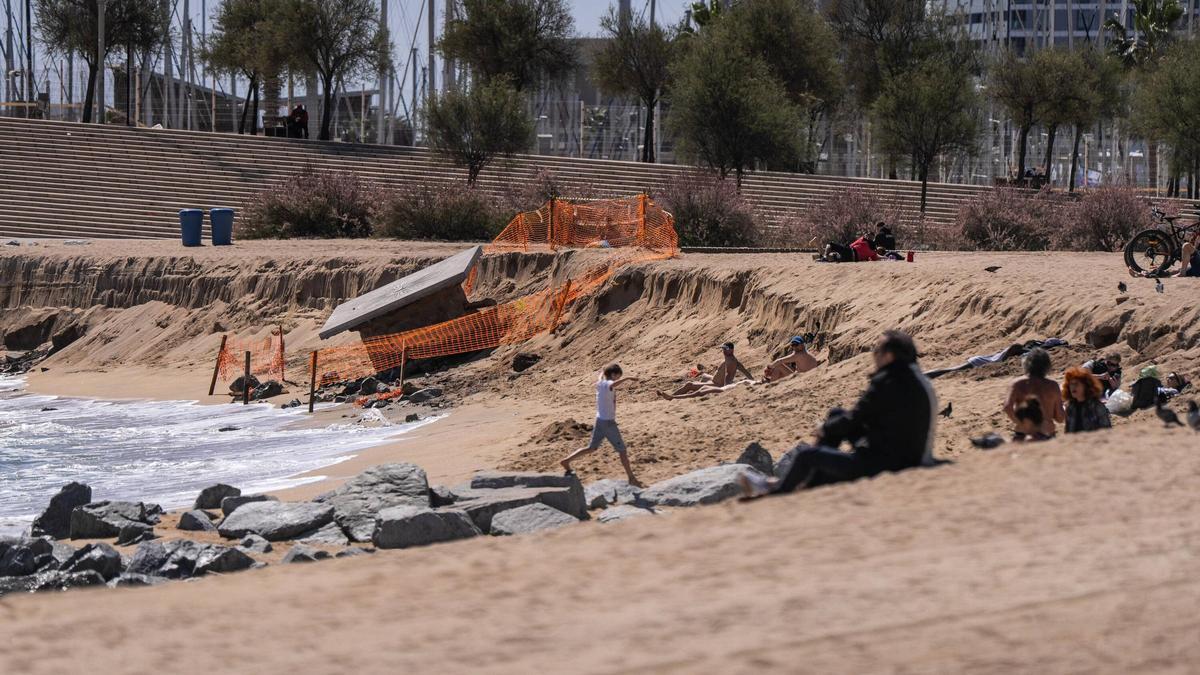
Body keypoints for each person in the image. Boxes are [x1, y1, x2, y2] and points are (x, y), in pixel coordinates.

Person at [740, 330, 937, 496]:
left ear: (889, 356)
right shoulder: (911, 376)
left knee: (806, 456)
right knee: (836, 414)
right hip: (907, 453)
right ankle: (812, 482)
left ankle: (776, 491)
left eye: (878, 349)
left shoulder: (887, 381)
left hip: (889, 463)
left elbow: (856, 418)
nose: (874, 353)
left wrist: (823, 428)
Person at [562, 364, 642, 486]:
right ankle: (631, 477)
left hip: (599, 420)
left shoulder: (600, 383)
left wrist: (602, 371)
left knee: (592, 448)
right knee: (622, 451)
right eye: (618, 376)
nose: (617, 379)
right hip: (608, 423)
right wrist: (629, 378)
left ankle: (566, 461)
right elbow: (612, 384)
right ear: (614, 374)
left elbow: (601, 377)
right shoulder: (608, 384)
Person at [1003, 348, 1065, 438]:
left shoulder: (1017, 383)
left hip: (1022, 432)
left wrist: (1020, 422)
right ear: (1047, 366)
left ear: (1026, 364)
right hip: (1046, 433)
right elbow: (1060, 418)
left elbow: (1007, 407)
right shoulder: (1052, 386)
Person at [658, 342, 754, 400]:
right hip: (714, 380)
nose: (723, 351)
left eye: (725, 349)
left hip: (717, 384)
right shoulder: (731, 359)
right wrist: (753, 381)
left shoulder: (731, 361)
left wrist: (725, 389)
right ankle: (677, 392)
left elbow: (727, 376)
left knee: (689, 385)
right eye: (723, 349)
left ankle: (671, 397)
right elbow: (745, 371)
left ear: (731, 350)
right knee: (703, 375)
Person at [1062, 367, 1112, 433]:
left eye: (1076, 384)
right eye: (1071, 384)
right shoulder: (1070, 407)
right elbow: (1068, 432)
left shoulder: (1096, 406)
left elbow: (1107, 431)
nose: (1073, 387)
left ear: (1085, 386)